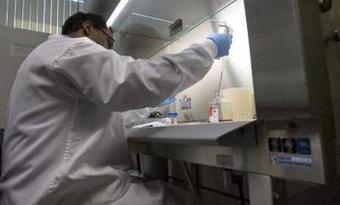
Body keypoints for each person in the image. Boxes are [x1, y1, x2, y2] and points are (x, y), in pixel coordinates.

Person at [0, 12, 232, 205]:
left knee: (159, 190)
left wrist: (153, 106)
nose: (111, 50)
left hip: (38, 191)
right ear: (88, 28)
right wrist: (208, 48)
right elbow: (136, 80)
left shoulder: (51, 55)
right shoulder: (71, 50)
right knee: (182, 200)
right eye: (109, 42)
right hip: (59, 194)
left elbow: (109, 117)